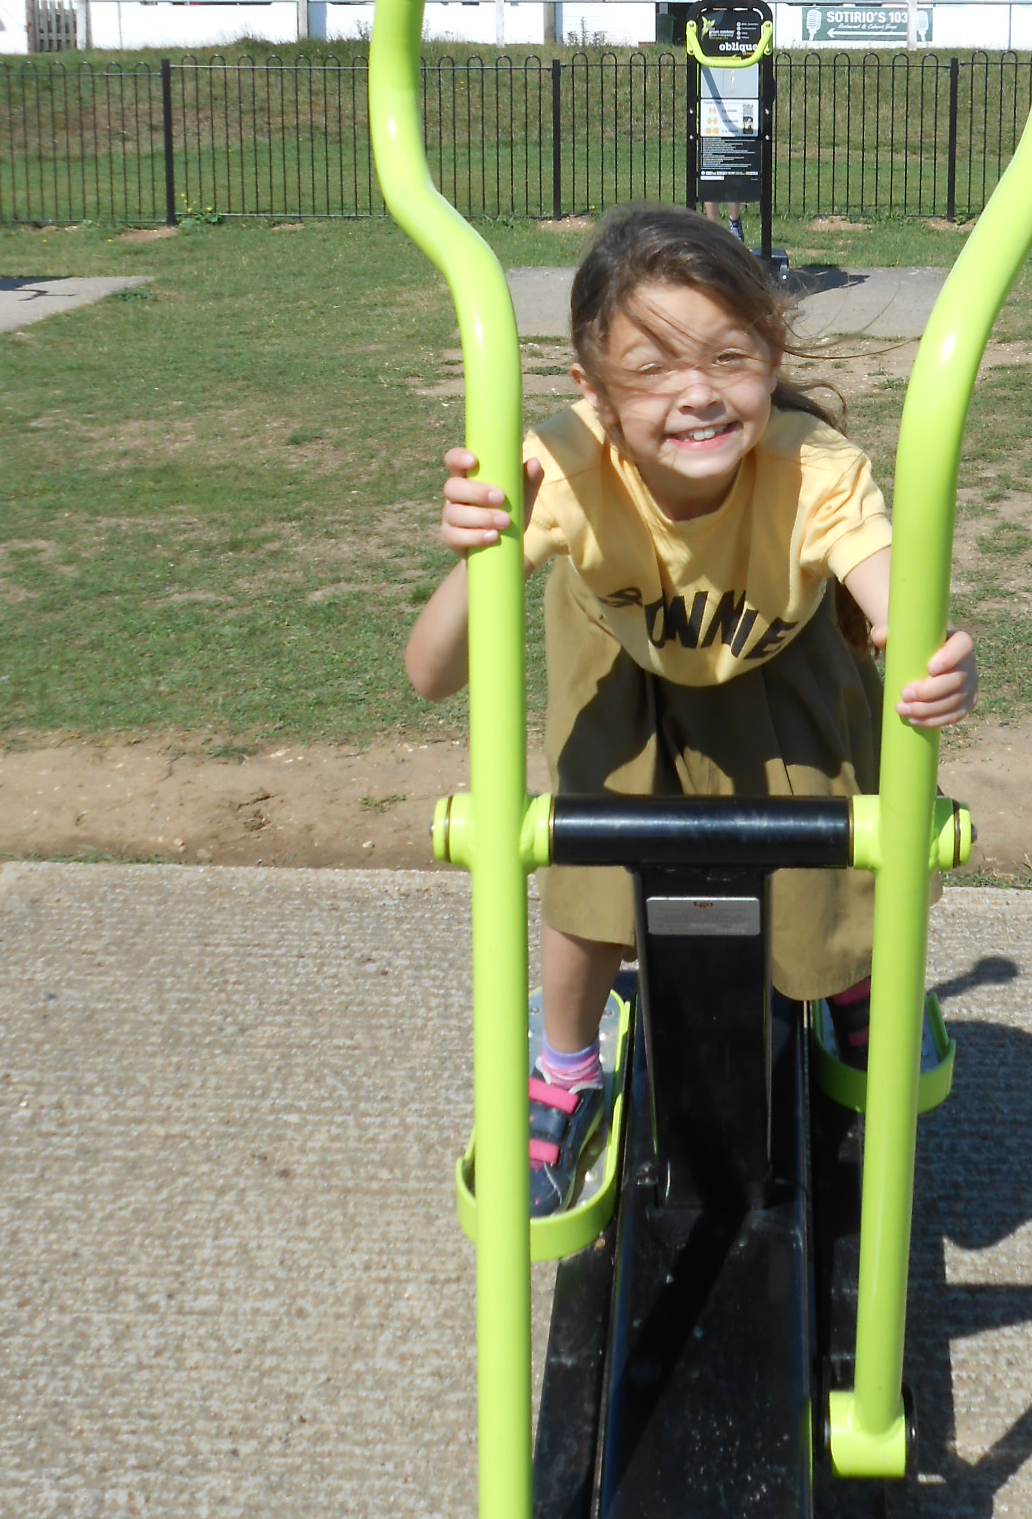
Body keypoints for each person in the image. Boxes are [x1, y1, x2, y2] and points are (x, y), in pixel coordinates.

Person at [405, 203, 978, 1216]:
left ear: (771, 357)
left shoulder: (812, 469)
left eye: (729, 356)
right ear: (591, 391)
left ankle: (853, 982)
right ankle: (567, 1066)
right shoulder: (561, 467)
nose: (699, 392)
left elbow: (896, 603)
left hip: (775, 652)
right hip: (624, 654)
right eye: (653, 367)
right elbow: (431, 672)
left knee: (833, 835)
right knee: (588, 854)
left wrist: (933, 660)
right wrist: (477, 552)